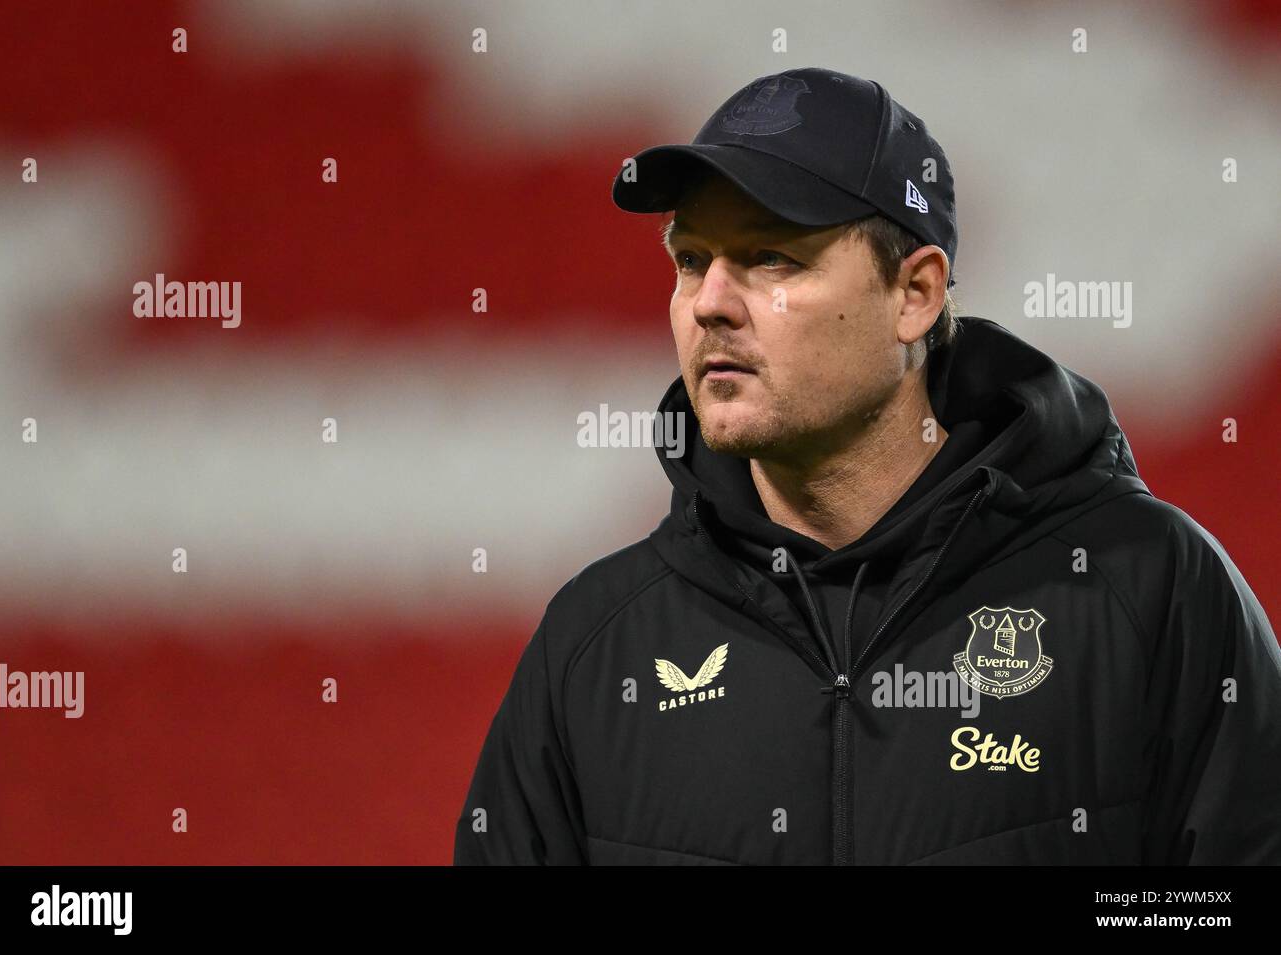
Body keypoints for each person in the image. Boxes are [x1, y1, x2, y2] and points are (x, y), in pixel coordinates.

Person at [453, 67, 1281, 865]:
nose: (708, 301)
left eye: (772, 258)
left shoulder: (1147, 587)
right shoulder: (594, 645)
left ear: (915, 293)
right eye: (693, 259)